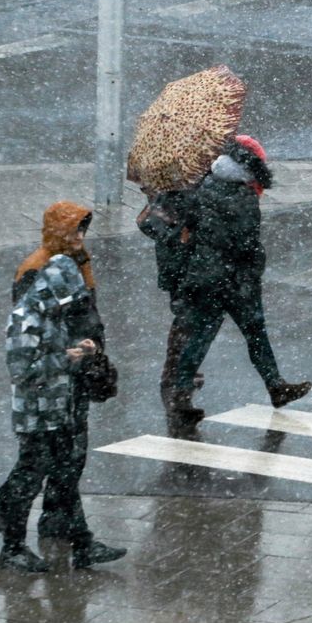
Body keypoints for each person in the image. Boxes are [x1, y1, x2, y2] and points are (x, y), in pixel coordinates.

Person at [0, 254, 127, 572]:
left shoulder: (51, 315)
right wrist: (67, 359)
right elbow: (22, 371)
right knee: (27, 483)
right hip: (35, 417)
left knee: (65, 478)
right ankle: (12, 548)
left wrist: (83, 349)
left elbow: (53, 353)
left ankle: (82, 543)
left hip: (57, 411)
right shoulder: (25, 319)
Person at [169, 135, 311, 420]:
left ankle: (181, 394)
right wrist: (256, 268)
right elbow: (247, 245)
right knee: (255, 333)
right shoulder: (243, 197)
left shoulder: (206, 184)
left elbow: (193, 227)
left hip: (206, 275)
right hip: (234, 281)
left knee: (201, 335)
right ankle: (275, 386)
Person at [137, 187, 207, 437]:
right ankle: (175, 378)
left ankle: (180, 373)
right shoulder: (174, 192)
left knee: (188, 318)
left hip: (181, 264)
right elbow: (146, 223)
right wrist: (180, 234)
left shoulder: (176, 189)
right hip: (180, 266)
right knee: (186, 318)